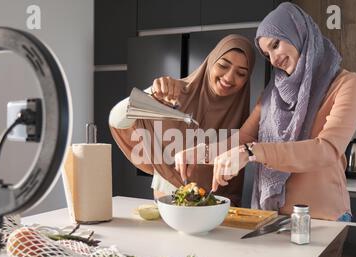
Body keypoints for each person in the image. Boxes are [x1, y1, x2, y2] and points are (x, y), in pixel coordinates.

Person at [175, 2, 356, 221]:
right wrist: (199, 153)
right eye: (267, 54)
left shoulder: (348, 84)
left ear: (298, 32)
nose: (274, 59)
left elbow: (326, 149)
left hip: (321, 217)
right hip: (269, 216)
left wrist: (252, 152)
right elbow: (244, 138)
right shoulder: (272, 93)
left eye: (276, 44)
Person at [109, 34, 255, 206]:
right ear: (211, 62)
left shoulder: (244, 118)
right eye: (223, 65)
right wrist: (149, 94)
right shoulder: (174, 94)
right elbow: (116, 120)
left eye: (241, 73)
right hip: (167, 203)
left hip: (218, 209)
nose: (229, 77)